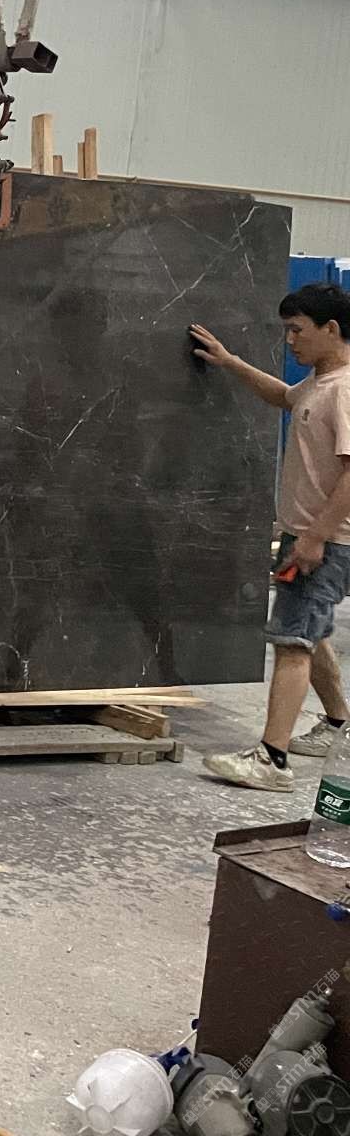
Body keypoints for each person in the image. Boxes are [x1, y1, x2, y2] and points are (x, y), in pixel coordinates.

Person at [191, 283, 350, 792]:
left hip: (325, 541)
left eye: (297, 330)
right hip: (307, 536)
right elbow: (283, 396)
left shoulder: (345, 389)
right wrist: (230, 362)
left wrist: (315, 538)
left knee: (292, 642)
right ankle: (339, 724)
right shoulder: (319, 384)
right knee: (310, 633)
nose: (290, 340)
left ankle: (272, 760)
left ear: (331, 329)